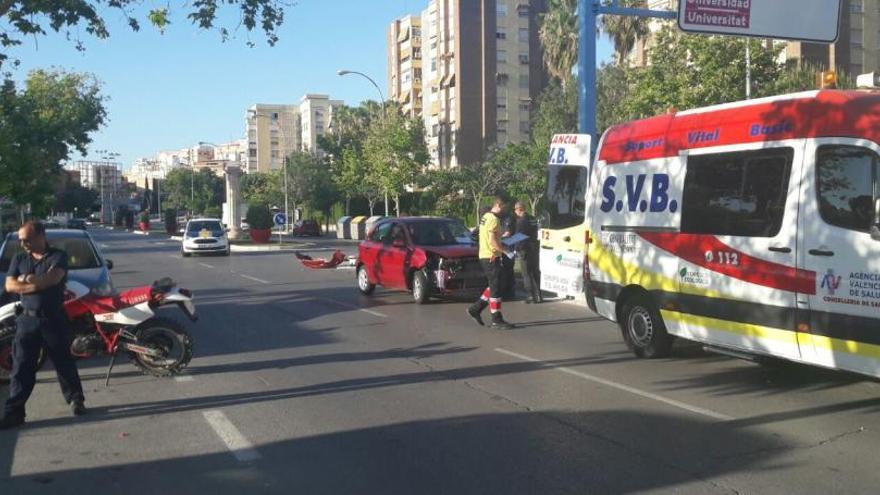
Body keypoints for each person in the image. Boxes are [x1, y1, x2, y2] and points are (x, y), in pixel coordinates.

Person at [0, 221, 86, 430]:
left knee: (63, 362)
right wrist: (32, 281)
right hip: (27, 321)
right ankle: (14, 413)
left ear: (41, 236)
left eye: (27, 240)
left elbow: (50, 280)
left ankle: (76, 399)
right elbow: (10, 284)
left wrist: (26, 280)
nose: (23, 244)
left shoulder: (58, 257)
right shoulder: (20, 258)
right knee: (21, 367)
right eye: (21, 240)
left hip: (52, 319)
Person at [467, 196, 514, 329]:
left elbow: (489, 236)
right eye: (505, 207)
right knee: (496, 287)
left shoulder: (486, 216)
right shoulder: (494, 219)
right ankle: (496, 319)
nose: (506, 210)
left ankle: (476, 308)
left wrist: (501, 237)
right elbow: (492, 241)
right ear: (499, 205)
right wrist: (506, 251)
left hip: (485, 255)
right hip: (491, 256)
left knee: (495, 284)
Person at [513, 202, 542, 304]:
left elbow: (519, 237)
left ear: (519, 209)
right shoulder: (533, 218)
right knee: (535, 272)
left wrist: (515, 249)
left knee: (526, 273)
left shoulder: (521, 221)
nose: (515, 212)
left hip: (524, 249)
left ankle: (530, 295)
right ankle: (539, 295)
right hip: (534, 248)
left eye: (515, 210)